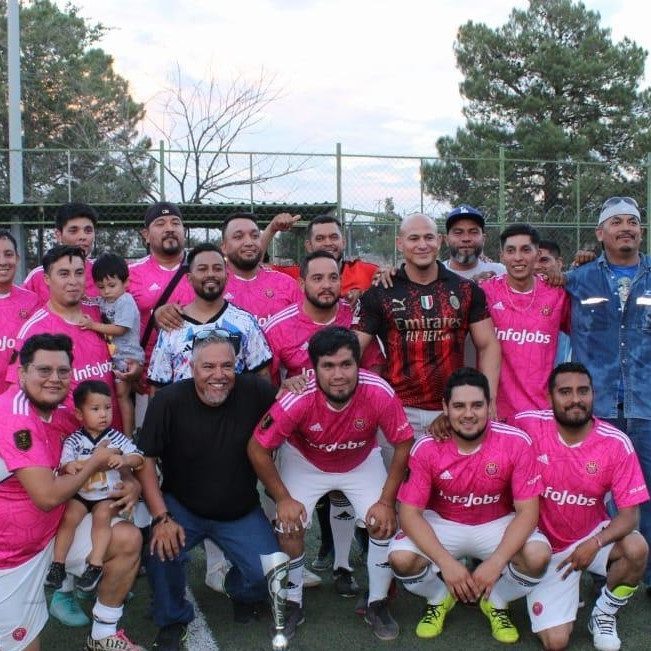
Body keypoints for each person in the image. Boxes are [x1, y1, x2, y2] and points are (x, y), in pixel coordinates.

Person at [248, 326, 414, 641]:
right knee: (289, 525)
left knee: (382, 522)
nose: (338, 375)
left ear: (358, 364)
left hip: (360, 461)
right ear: (313, 368)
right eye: (328, 366)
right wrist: (283, 499)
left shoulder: (379, 390)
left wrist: (386, 500)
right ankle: (293, 601)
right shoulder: (297, 397)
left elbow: (403, 443)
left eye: (346, 364)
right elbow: (257, 448)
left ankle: (377, 603)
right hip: (306, 462)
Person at [137, 331, 280, 651]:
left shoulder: (257, 391)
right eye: (209, 367)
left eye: (227, 366)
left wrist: (296, 387)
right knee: (160, 551)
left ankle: (240, 589)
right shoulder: (168, 400)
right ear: (192, 366)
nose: (219, 375)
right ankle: (172, 618)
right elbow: (145, 462)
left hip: (239, 509)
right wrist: (161, 517)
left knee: (269, 576)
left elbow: (292, 411)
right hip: (183, 506)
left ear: (237, 366)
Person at [0, 333, 144, 651]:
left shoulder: (63, 409)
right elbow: (48, 496)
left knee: (128, 539)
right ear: (22, 373)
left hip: (48, 535)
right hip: (10, 556)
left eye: (63, 371)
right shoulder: (16, 417)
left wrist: (127, 478)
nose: (55, 379)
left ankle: (103, 632)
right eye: (44, 370)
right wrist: (95, 463)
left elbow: (110, 446)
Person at [389, 367, 550, 644]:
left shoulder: (516, 442)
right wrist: (446, 564)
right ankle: (440, 597)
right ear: (445, 408)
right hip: (443, 522)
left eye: (477, 405)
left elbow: (528, 512)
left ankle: (496, 601)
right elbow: (409, 513)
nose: (468, 414)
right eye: (459, 406)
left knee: (537, 556)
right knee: (401, 560)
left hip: (496, 523)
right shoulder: (426, 446)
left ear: (489, 406)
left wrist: (496, 562)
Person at [262, 251, 384, 595]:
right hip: (300, 440)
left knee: (357, 504)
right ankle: (293, 593)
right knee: (291, 517)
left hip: (354, 432)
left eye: (333, 277)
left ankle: (343, 567)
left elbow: (373, 370)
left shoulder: (358, 321)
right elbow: (264, 380)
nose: (327, 285)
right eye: (317, 278)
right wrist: (281, 388)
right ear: (302, 284)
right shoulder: (278, 325)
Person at [515, 363, 649, 651]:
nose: (575, 399)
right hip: (543, 548)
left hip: (591, 537)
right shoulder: (526, 425)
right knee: (556, 643)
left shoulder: (615, 443)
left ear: (593, 394)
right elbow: (482, 429)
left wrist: (594, 543)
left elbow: (630, 515)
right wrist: (444, 424)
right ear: (549, 398)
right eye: (565, 392)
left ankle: (604, 612)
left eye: (583, 391)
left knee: (636, 548)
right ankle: (557, 589)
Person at [562, 196, 651, 589]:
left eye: (632, 221)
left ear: (641, 231)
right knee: (595, 492)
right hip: (596, 406)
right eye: (615, 222)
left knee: (645, 493)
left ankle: (644, 573)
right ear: (601, 233)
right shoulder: (578, 279)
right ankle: (601, 570)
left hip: (646, 405)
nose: (625, 228)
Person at [354, 212, 501, 436]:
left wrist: (488, 397)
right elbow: (353, 348)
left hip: (451, 409)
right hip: (396, 407)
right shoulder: (380, 292)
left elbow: (488, 344)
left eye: (429, 237)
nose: (422, 245)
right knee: (395, 472)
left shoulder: (466, 290)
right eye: (414, 238)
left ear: (439, 241)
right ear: (400, 243)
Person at [5, 246, 129, 428]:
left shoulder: (101, 312)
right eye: (64, 274)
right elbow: (17, 392)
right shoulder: (34, 329)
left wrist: (132, 370)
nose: (73, 281)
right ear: (47, 279)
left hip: (113, 438)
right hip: (68, 445)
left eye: (79, 273)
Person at [46, 380, 144, 594]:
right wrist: (89, 462)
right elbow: (66, 464)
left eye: (108, 408)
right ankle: (58, 565)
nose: (103, 414)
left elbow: (139, 457)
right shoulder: (74, 440)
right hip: (81, 494)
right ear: (79, 414)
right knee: (69, 517)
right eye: (95, 409)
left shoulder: (116, 437)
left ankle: (96, 565)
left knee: (102, 518)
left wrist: (125, 460)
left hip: (105, 496)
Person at [147, 243, 272, 388]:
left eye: (217, 268)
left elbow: (262, 377)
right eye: (202, 269)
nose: (211, 274)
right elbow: (157, 386)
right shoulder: (172, 324)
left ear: (226, 276)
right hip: (185, 410)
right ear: (189, 278)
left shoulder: (245, 322)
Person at [480, 224, 570, 422]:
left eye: (525, 250)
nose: (518, 258)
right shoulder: (485, 292)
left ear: (537, 255)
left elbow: (585, 334)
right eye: (511, 250)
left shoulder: (557, 293)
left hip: (541, 413)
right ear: (502, 255)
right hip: (496, 413)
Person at [80, 253, 145, 436]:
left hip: (127, 357)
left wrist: (93, 326)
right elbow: (91, 302)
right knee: (117, 396)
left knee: (122, 396)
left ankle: (128, 436)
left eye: (111, 285)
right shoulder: (105, 299)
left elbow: (120, 329)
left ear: (125, 283)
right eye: (101, 287)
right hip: (115, 356)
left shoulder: (125, 300)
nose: (106, 291)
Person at [267, 214, 379, 306]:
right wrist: (272, 229)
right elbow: (254, 268)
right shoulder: (293, 276)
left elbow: (390, 280)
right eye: (320, 238)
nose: (328, 243)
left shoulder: (366, 272)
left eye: (334, 237)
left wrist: (365, 294)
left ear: (343, 242)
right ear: (309, 246)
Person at [221, 212, 303, 326]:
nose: (249, 242)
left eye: (255, 236)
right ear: (224, 247)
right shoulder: (211, 286)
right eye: (238, 237)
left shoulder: (287, 285)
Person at [23, 203, 99, 305]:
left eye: (88, 231)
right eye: (73, 231)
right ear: (59, 235)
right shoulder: (37, 277)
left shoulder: (104, 272)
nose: (82, 236)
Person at [0, 230, 40, 393]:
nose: (2, 261)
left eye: (8, 254)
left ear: (17, 258)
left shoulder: (32, 300)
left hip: (19, 394)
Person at [443, 204, 506, 280]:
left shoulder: (500, 273)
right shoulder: (435, 274)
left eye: (473, 232)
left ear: (483, 239)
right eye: (458, 232)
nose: (466, 238)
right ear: (446, 239)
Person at [535, 239, 571, 364]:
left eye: (544, 260)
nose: (537, 266)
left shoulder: (572, 287)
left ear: (559, 263)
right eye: (533, 260)